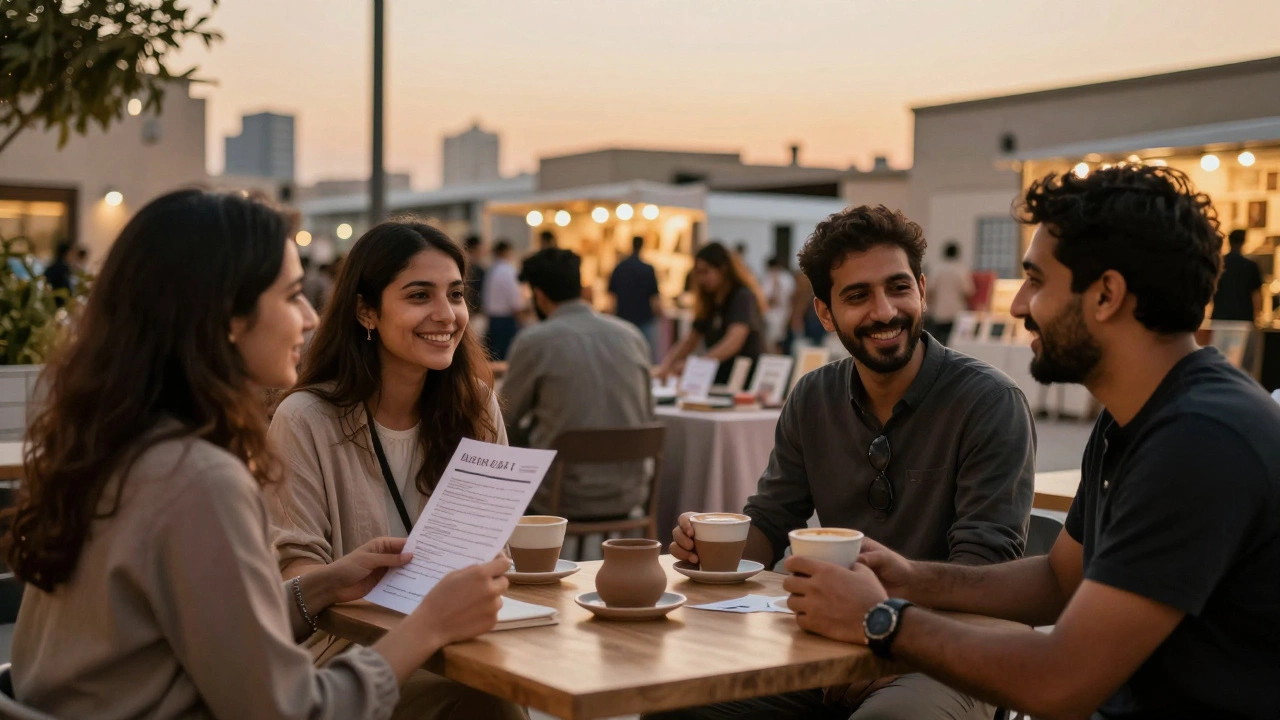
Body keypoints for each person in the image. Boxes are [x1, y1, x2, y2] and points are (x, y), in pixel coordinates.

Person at [784, 166, 1280, 720]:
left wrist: (883, 620)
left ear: (1106, 295)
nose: (1019, 305)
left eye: (1037, 281)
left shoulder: (1201, 439)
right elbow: (1057, 578)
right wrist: (912, 577)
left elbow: (1063, 683)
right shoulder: (1134, 421)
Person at [2, 190, 510, 719]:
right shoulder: (198, 478)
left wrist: (324, 584)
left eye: (455, 294)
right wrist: (430, 624)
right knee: (481, 700)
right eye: (292, 296)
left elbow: (221, 636)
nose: (312, 318)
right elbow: (291, 712)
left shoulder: (121, 449)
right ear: (227, 316)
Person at [656, 204, 1034, 720]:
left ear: (922, 289)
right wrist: (711, 548)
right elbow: (771, 519)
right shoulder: (813, 397)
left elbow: (985, 567)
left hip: (953, 648)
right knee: (676, 702)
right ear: (825, 313)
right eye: (858, 296)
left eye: (898, 287)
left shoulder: (988, 402)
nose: (884, 312)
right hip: (832, 638)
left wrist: (896, 635)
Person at [267, 220, 524, 720]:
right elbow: (297, 569)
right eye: (419, 295)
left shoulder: (476, 404)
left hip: (463, 641)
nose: (445, 315)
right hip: (346, 656)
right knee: (485, 700)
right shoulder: (306, 419)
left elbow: (496, 549)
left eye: (454, 294)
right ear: (366, 311)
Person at [503, 247, 654, 520]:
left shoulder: (535, 341)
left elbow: (504, 419)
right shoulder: (631, 336)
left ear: (538, 295)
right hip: (629, 491)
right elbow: (647, 413)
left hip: (561, 494)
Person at [655, 242, 766, 385]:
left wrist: (697, 364)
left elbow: (734, 340)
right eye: (698, 273)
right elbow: (690, 340)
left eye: (706, 271)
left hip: (743, 381)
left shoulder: (742, 297)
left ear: (723, 270)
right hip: (719, 380)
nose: (701, 279)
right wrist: (666, 366)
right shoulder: (710, 301)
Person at [608, 235, 662, 357]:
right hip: (644, 317)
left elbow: (611, 297)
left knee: (624, 355)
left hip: (623, 317)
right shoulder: (647, 269)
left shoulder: (619, 268)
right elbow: (654, 297)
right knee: (645, 354)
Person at [924, 241, 974, 344]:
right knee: (954, 346)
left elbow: (929, 291)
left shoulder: (937, 270)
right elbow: (969, 292)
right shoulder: (961, 270)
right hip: (957, 313)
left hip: (939, 313)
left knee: (939, 344)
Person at [483, 239, 524, 360]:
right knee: (507, 357)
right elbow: (514, 300)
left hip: (492, 319)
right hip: (506, 319)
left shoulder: (491, 270)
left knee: (495, 355)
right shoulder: (509, 271)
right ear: (507, 252)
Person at [1211, 229, 1263, 323]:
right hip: (1243, 317)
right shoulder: (1250, 265)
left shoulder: (1219, 262)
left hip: (1220, 316)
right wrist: (1258, 315)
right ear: (1243, 242)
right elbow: (1256, 295)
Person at [763, 255, 797, 352]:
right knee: (772, 341)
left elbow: (772, 299)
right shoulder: (781, 278)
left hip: (779, 313)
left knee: (776, 341)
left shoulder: (782, 278)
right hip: (774, 313)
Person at [463, 234, 487, 313]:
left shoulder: (477, 266)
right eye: (480, 249)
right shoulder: (471, 267)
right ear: (474, 248)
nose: (483, 252)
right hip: (471, 309)